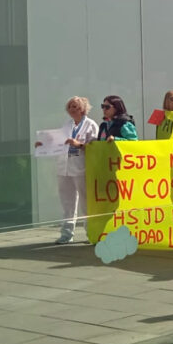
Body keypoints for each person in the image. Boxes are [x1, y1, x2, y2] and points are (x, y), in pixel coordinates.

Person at [36, 97, 98, 244]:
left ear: (83, 109)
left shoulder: (91, 125)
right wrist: (42, 144)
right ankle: (67, 233)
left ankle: (91, 232)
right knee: (67, 203)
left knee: (85, 202)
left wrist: (79, 144)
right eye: (70, 106)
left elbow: (95, 147)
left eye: (75, 106)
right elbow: (57, 143)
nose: (71, 109)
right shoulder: (67, 125)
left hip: (80, 167)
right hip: (64, 168)